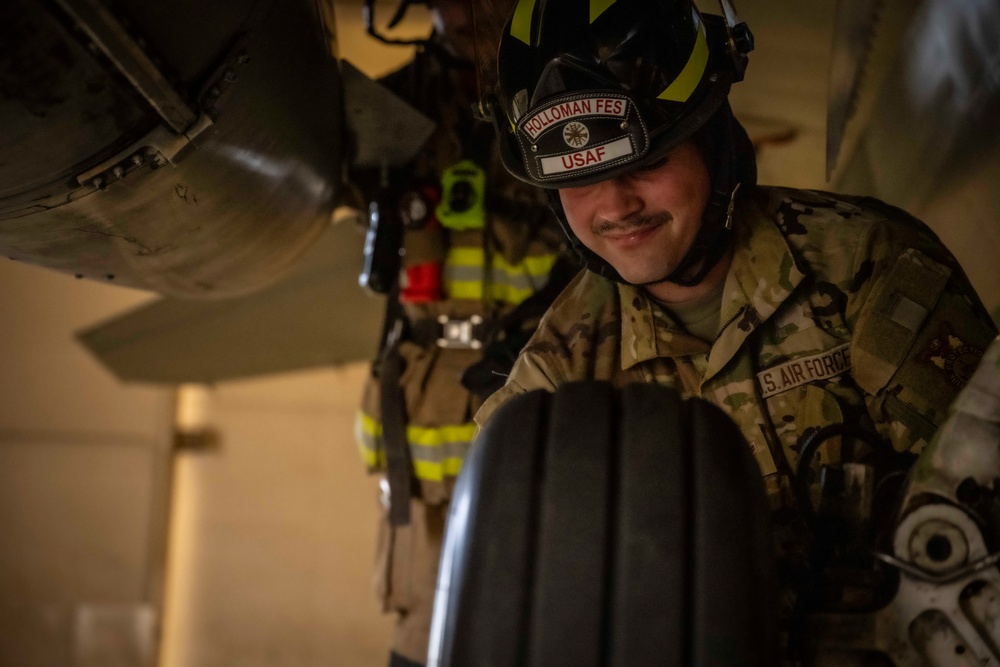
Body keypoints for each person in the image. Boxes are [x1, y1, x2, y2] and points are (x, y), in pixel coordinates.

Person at [473, 0, 998, 655]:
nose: (615, 205)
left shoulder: (866, 266)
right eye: (580, 179)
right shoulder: (557, 380)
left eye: (646, 163)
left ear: (713, 136)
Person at [350, 2, 571, 665]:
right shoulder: (393, 106)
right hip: (419, 440)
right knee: (424, 634)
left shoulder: (572, 92)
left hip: (538, 405)